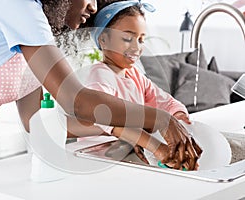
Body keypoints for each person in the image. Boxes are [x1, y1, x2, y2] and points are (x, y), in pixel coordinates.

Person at [0, 0, 201, 195]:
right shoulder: (18, 6)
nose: (93, 6)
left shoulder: (34, 34)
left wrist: (131, 133)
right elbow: (75, 100)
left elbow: (36, 122)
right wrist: (159, 119)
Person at [67, 1, 201, 169]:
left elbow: (165, 102)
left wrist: (179, 119)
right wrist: (157, 148)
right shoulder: (100, 75)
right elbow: (105, 118)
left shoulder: (135, 75)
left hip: (126, 157)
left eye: (141, 40)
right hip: (98, 159)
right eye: (127, 38)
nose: (137, 47)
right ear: (103, 40)